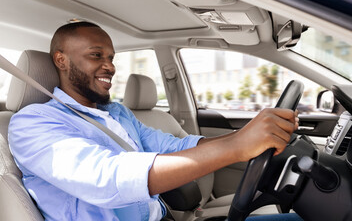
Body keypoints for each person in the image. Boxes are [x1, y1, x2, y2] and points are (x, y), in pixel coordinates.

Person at [8, 22, 302, 221]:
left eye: (111, 57)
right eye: (95, 55)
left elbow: (173, 146)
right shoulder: (32, 124)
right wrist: (237, 146)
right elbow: (107, 178)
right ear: (61, 60)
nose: (109, 66)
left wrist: (250, 137)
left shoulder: (117, 114)